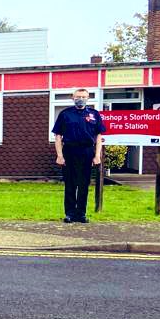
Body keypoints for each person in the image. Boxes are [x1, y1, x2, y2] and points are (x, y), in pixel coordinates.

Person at [53, 87, 105, 223]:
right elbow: (58, 136)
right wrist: (59, 155)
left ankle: (81, 214)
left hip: (87, 152)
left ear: (88, 98)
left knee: (83, 184)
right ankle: (70, 213)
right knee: (70, 184)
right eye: (78, 97)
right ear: (73, 98)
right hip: (69, 151)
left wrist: (97, 155)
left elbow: (99, 136)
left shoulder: (94, 114)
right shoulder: (65, 114)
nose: (80, 99)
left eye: (83, 97)